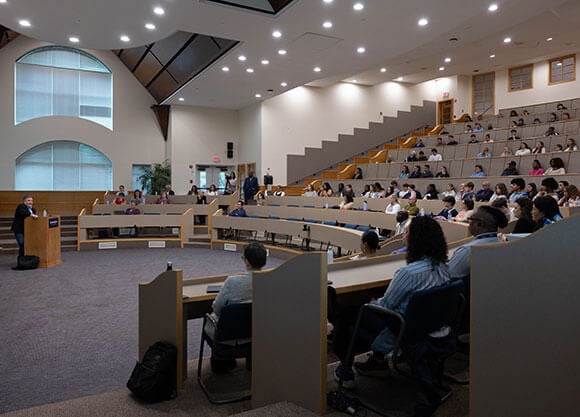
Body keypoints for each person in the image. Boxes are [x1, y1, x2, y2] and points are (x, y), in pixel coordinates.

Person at [333, 217, 450, 388]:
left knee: (346, 314)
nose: (403, 237)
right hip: (430, 329)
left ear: (416, 239)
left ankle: (346, 371)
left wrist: (372, 301)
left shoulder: (408, 273)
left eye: (407, 233)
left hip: (401, 334)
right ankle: (377, 362)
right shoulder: (444, 267)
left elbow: (384, 306)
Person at [206, 242, 267, 370]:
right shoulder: (270, 281)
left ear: (247, 262)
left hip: (226, 340)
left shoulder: (232, 282)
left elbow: (217, 309)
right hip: (256, 336)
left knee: (210, 317)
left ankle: (221, 364)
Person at [449, 206, 508, 279]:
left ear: (480, 224)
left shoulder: (468, 250)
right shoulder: (502, 243)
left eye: (471, 220)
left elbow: (448, 275)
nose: (469, 224)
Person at [11, 193, 38, 258]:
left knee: (26, 245)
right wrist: (32, 215)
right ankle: (21, 259)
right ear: (24, 201)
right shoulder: (21, 206)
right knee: (22, 244)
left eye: (31, 200)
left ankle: (23, 259)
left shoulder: (33, 210)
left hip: (27, 230)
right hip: (19, 230)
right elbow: (24, 213)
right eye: (28, 200)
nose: (30, 202)